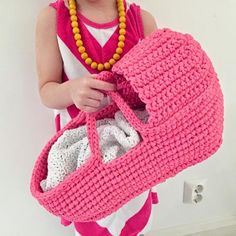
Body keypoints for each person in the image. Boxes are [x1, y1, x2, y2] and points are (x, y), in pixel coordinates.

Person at [35, 0, 159, 235]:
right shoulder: (53, 19)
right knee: (91, 225)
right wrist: (71, 90)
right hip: (84, 158)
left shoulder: (142, 21)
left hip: (133, 154)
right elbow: (46, 91)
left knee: (135, 223)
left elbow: (156, 93)